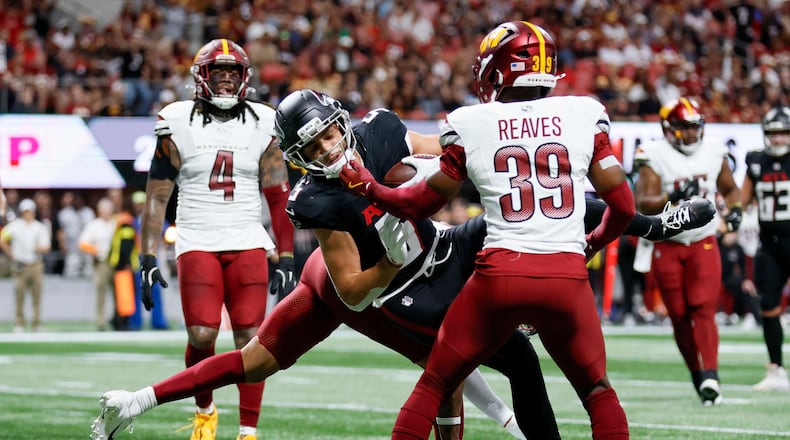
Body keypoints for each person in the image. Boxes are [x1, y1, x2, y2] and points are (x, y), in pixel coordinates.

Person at [92, 80, 712, 439]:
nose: (333, 148)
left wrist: (439, 164)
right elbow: (356, 290)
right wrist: (392, 256)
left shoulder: (379, 129)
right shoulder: (316, 200)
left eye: (333, 133)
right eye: (317, 146)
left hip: (439, 250)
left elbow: (442, 157)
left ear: (343, 121)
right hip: (389, 289)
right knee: (262, 364)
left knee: (518, 222)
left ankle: (649, 223)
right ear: (300, 156)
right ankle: (142, 399)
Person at [338, 21, 634, 439]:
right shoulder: (583, 113)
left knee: (436, 381)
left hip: (500, 276)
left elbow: (419, 203)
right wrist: (592, 243)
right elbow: (622, 207)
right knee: (598, 391)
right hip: (566, 276)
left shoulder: (473, 121)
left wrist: (368, 186)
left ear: (498, 70)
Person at [91, 248, 527, 440]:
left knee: (253, 362)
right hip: (355, 281)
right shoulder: (467, 278)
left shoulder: (471, 261)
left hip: (325, 270)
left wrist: (510, 420)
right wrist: (514, 423)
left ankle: (135, 401)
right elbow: (458, 370)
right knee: (443, 373)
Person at [134, 38, 296, 440]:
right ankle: (205, 411)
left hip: (247, 238)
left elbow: (279, 195)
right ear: (200, 77)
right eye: (217, 72)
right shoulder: (176, 119)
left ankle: (248, 430)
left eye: (233, 72)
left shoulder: (264, 121)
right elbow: (157, 195)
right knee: (202, 334)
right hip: (197, 237)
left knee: (250, 337)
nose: (226, 80)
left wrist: (288, 255)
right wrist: (147, 257)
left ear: (245, 78)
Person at [633, 97, 742, 405]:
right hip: (667, 241)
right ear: (668, 129)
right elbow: (644, 202)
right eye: (684, 128)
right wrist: (674, 193)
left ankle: (711, 375)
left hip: (703, 240)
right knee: (679, 315)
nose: (692, 135)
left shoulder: (715, 150)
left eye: (695, 127)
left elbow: (731, 188)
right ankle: (698, 374)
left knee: (703, 308)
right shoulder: (653, 154)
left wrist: (734, 210)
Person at [741, 105, 790, 391]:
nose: (779, 139)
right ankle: (776, 370)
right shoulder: (756, 161)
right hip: (769, 243)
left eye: (784, 132)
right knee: (769, 305)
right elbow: (743, 199)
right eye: (774, 133)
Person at [0, 198, 51, 333]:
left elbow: (47, 247)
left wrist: (37, 248)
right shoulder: (15, 226)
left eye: (30, 211)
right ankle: (19, 323)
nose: (28, 214)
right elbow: (2, 238)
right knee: (19, 295)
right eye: (25, 211)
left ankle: (36, 323)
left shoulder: (39, 227)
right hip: (20, 265)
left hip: (35, 264)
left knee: (36, 295)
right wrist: (11, 253)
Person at [129, 191, 168, 330]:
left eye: (141, 203)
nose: (139, 206)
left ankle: (158, 321)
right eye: (137, 204)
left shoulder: (154, 219)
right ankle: (135, 322)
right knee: (137, 291)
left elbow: (166, 232)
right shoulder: (131, 221)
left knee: (155, 290)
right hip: (137, 258)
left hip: (152, 257)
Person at [79, 198, 117, 331]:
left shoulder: (116, 223)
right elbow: (83, 243)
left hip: (116, 262)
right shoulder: (94, 225)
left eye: (108, 210)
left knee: (118, 292)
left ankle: (117, 318)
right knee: (101, 291)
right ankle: (100, 320)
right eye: (104, 210)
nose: (106, 213)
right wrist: (95, 251)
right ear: (99, 211)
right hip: (101, 262)